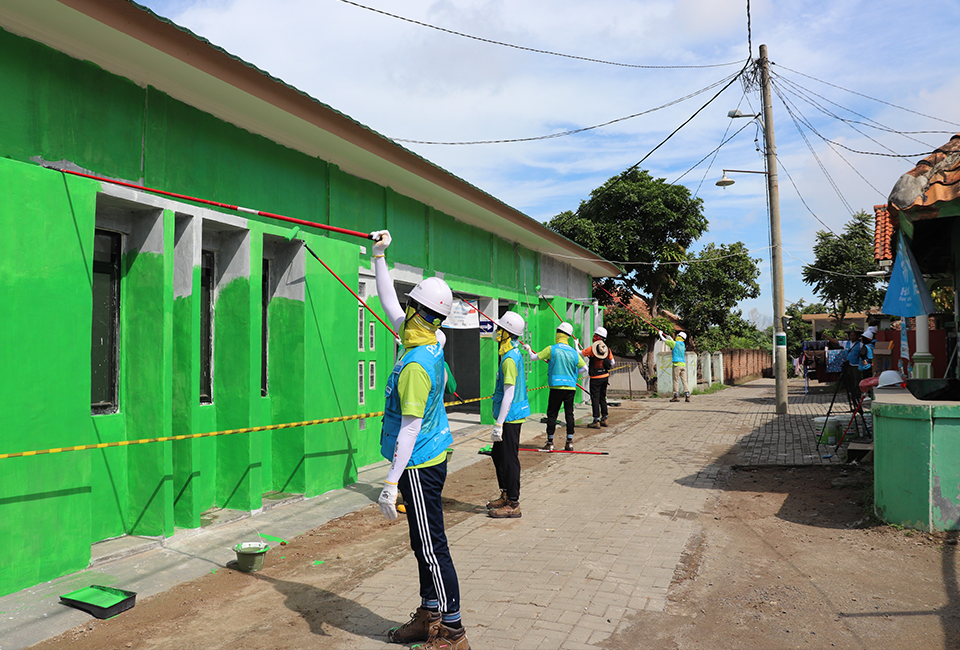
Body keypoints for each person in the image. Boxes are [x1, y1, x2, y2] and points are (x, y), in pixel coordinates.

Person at [370, 230, 471, 650]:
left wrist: (391, 481)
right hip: (430, 457)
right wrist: (379, 256)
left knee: (432, 548)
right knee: (422, 542)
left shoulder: (415, 365)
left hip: (419, 464)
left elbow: (409, 428)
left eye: (410, 304)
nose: (403, 309)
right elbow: (388, 303)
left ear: (419, 311)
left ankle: (453, 632)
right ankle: (429, 613)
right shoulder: (428, 341)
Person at [485, 311, 530, 519]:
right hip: (509, 415)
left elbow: (509, 392)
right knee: (498, 455)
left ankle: (513, 503)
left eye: (500, 328)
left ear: (506, 333)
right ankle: (505, 493)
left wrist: (499, 424)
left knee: (510, 459)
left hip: (511, 416)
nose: (496, 331)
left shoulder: (509, 359)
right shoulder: (509, 352)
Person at [524, 322, 586, 451]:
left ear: (558, 334)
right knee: (569, 414)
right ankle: (569, 442)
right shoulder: (574, 353)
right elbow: (584, 368)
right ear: (568, 336)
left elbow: (533, 357)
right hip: (570, 388)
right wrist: (573, 375)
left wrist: (528, 348)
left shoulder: (552, 349)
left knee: (552, 415)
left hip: (556, 387)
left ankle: (550, 442)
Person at [582, 326, 615, 429]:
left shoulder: (592, 348)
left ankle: (596, 420)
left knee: (595, 399)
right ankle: (604, 419)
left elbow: (581, 353)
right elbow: (612, 362)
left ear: (597, 337)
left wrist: (575, 344)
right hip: (605, 377)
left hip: (595, 378)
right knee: (602, 398)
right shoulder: (607, 349)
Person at [659, 330, 689, 402]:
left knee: (676, 380)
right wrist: (669, 338)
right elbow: (674, 343)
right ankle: (687, 394)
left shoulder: (675, 344)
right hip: (683, 365)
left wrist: (660, 334)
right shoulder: (683, 344)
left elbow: (664, 340)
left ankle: (676, 396)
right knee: (684, 381)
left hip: (676, 365)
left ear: (679, 336)